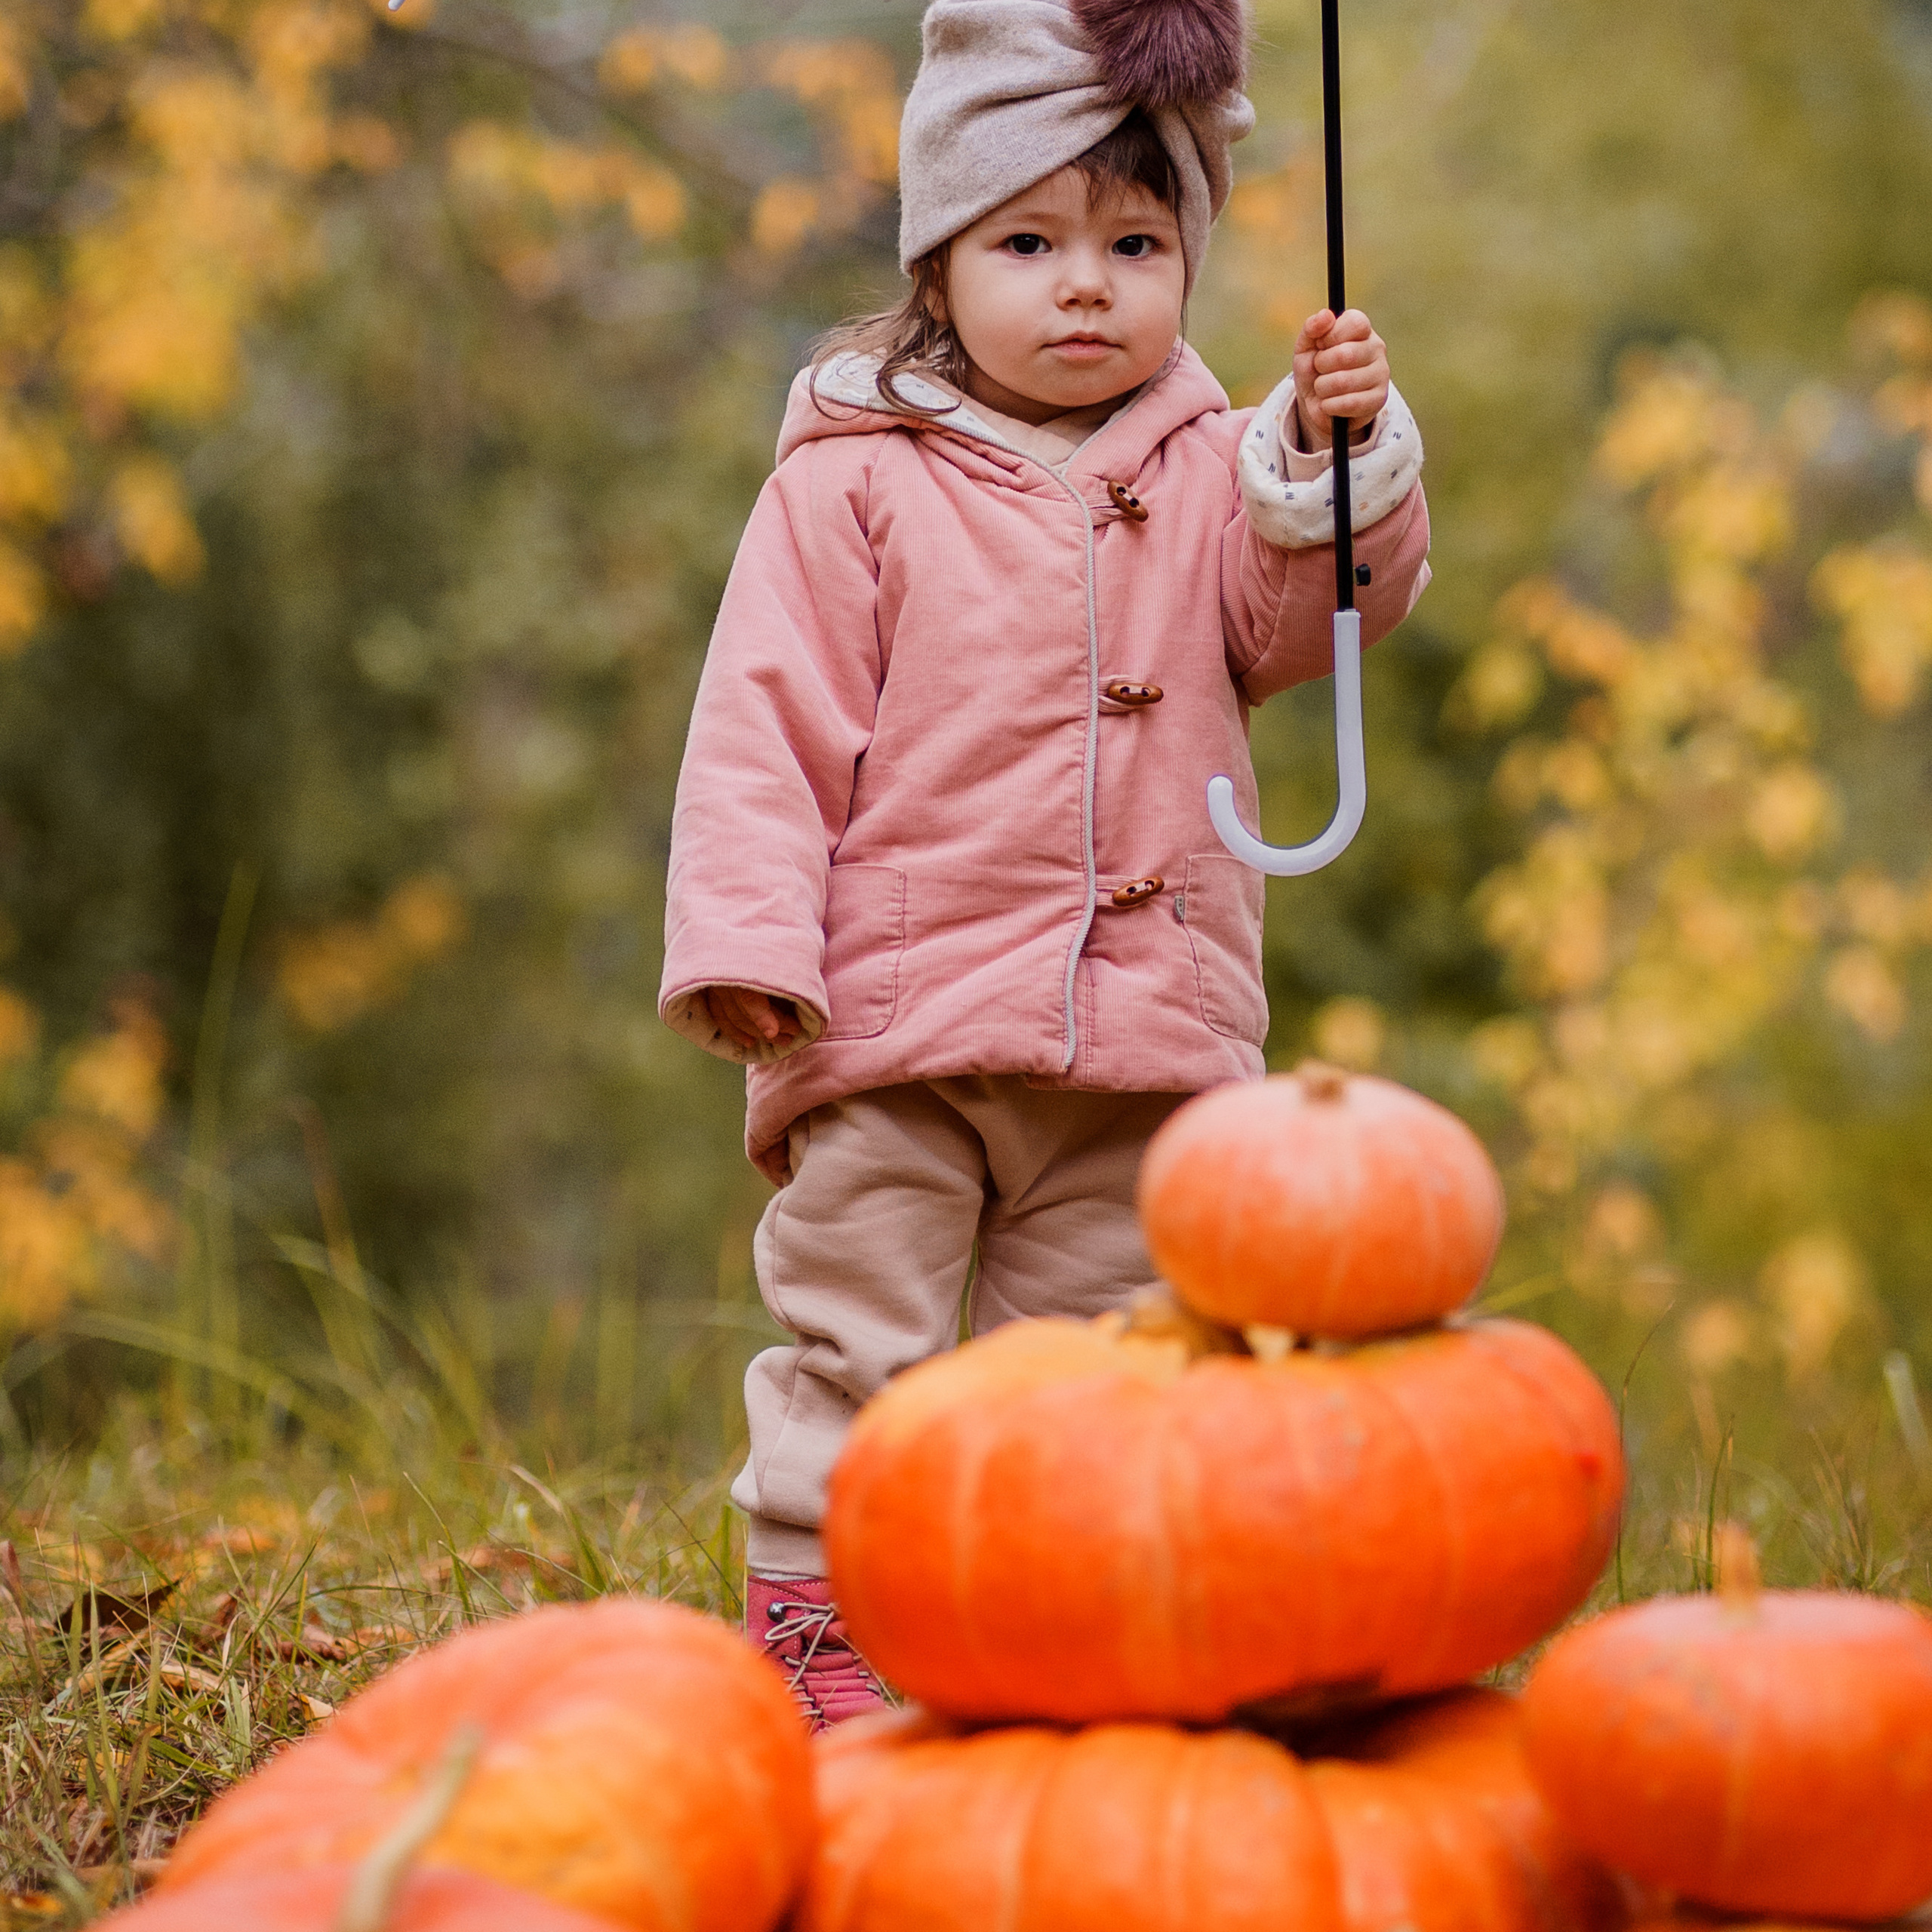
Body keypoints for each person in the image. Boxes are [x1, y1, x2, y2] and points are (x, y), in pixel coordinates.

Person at [659, 0, 1430, 1728]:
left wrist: (1335, 464)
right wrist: (742, 935)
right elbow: (763, 723)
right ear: (942, 263)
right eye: (1029, 239)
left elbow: (1305, 626)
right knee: (861, 1334)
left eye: (1134, 240)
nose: (1084, 283)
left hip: (1139, 1030)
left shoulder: (1212, 463)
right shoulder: (852, 480)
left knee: (1085, 1372)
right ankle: (822, 1624)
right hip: (893, 1018)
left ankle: (1032, 1633)